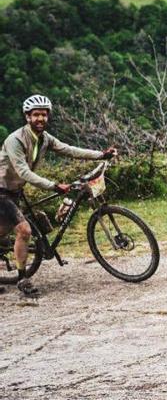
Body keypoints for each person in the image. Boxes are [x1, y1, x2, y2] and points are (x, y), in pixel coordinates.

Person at [0, 95, 116, 297]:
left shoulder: (45, 138)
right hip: (1, 190)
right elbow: (23, 172)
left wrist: (100, 154)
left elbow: (69, 150)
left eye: (43, 115)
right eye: (35, 115)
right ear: (27, 117)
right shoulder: (15, 140)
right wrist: (54, 186)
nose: (40, 119)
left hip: (15, 190)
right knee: (24, 230)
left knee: (3, 231)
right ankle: (22, 279)